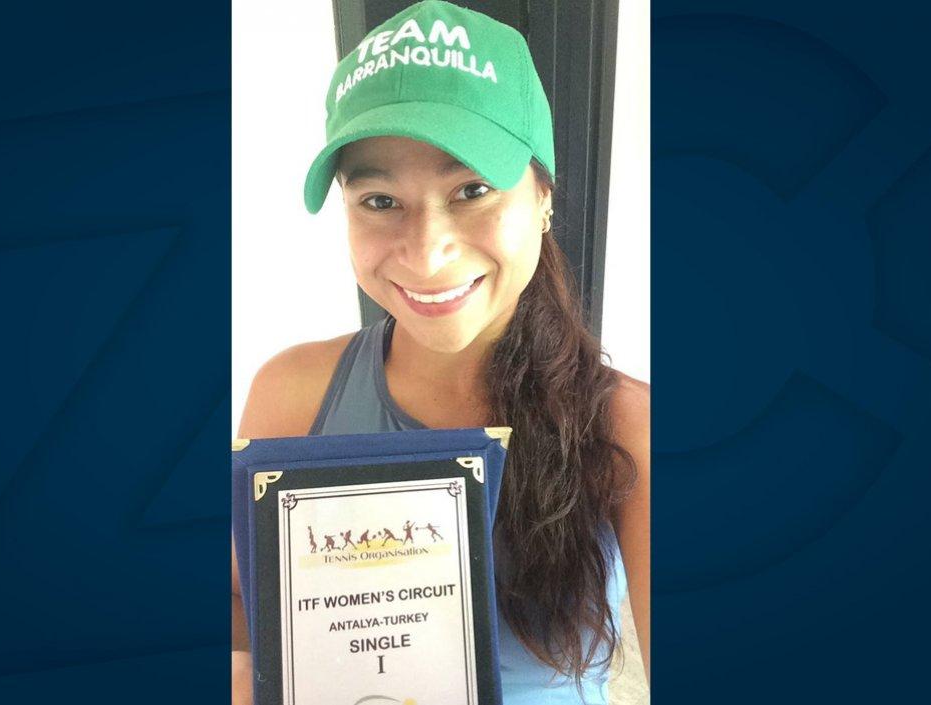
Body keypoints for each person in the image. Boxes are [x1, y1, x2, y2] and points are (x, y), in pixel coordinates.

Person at [231, 2, 649, 703]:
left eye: (472, 190)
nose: (426, 254)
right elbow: (242, 597)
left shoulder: (626, 425)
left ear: (543, 195)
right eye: (379, 200)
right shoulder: (292, 390)